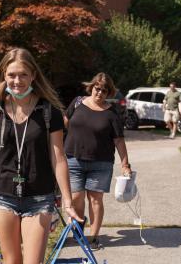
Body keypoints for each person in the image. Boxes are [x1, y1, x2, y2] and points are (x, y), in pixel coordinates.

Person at [0, 48, 81, 264]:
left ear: (33, 75)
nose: (17, 81)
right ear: (3, 76)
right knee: (12, 261)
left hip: (39, 197)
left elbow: (59, 157)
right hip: (2, 196)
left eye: (23, 75)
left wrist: (68, 201)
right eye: (11, 75)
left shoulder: (49, 112)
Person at [64, 72, 132, 250]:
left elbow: (119, 140)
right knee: (76, 198)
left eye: (104, 90)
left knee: (95, 200)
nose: (100, 93)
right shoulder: (77, 103)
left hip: (100, 163)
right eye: (97, 88)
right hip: (73, 160)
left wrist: (125, 164)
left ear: (109, 92)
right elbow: (64, 122)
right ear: (91, 87)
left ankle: (93, 237)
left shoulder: (112, 112)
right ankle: (79, 232)